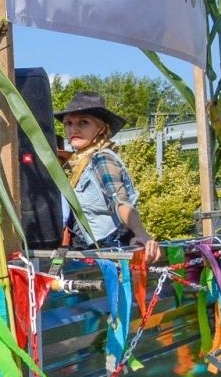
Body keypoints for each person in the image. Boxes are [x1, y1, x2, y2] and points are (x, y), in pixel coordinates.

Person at [55, 92, 161, 264]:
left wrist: (142, 233)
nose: (73, 129)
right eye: (68, 123)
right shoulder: (80, 164)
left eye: (83, 122)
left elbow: (120, 201)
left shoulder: (101, 159)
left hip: (112, 250)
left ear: (101, 128)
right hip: (93, 251)